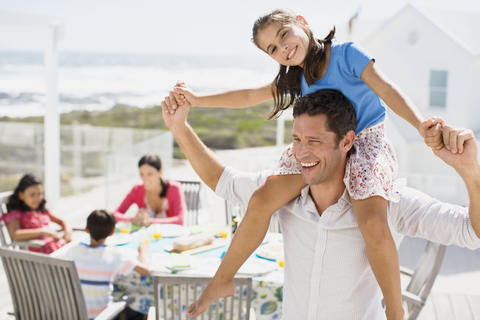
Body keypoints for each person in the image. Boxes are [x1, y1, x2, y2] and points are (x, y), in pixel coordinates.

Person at [165, 7, 446, 318]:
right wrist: (196, 99)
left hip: (365, 140)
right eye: (272, 48)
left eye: (283, 34)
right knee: (260, 199)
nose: (282, 48)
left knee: (372, 222)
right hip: (320, 146)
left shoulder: (347, 53)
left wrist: (421, 126)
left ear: (302, 23)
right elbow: (248, 96)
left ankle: (395, 311)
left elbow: (387, 89)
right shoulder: (296, 78)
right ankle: (222, 280)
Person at [161, 89, 480, 319]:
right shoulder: (281, 193)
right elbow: (223, 181)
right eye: (297, 140)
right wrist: (179, 127)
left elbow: (470, 231)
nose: (301, 153)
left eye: (314, 141)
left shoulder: (386, 202)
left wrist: (469, 172)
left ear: (347, 141)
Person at [60, 209, 150, 320]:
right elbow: (145, 270)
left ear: (86, 229)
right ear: (112, 233)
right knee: (136, 306)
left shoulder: (73, 251)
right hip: (103, 317)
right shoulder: (114, 254)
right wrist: (143, 253)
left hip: (74, 314)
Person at [2, 173, 72, 254]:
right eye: (32, 195)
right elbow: (15, 234)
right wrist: (44, 231)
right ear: (21, 195)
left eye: (40, 194)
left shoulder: (41, 210)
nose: (37, 198)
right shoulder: (16, 214)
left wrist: (68, 233)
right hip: (41, 259)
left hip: (57, 250)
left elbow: (63, 222)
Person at [114, 154, 186, 226]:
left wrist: (151, 222)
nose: (145, 179)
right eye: (142, 174)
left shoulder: (175, 188)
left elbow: (180, 220)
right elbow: (115, 215)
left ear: (160, 172)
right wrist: (132, 220)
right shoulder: (137, 189)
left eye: (150, 174)